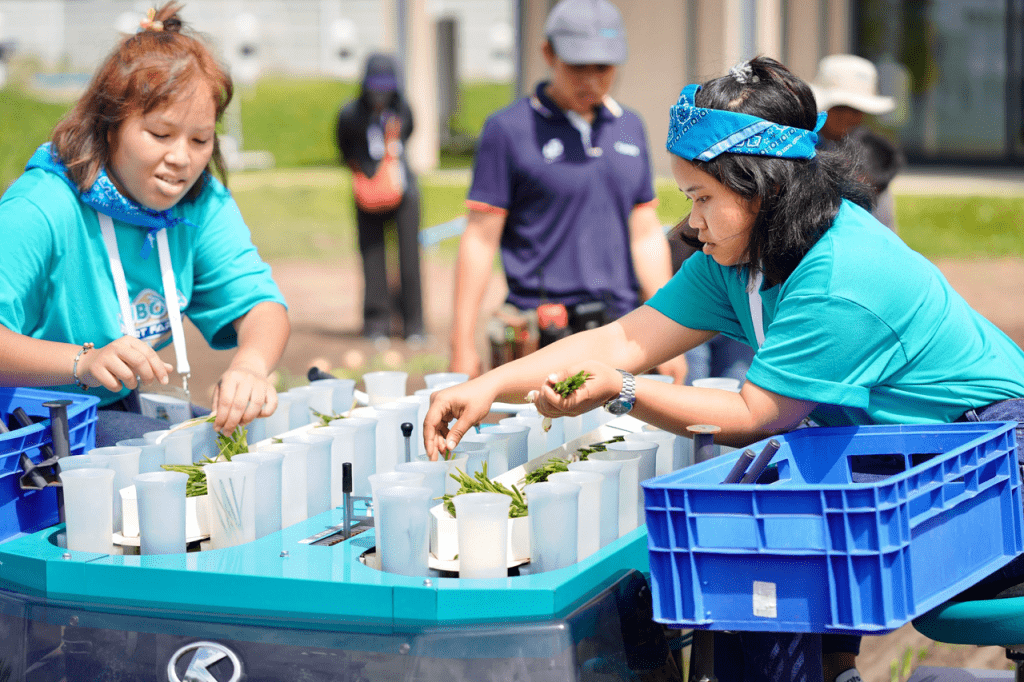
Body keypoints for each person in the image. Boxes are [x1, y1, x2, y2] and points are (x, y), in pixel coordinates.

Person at [424, 56, 1024, 682]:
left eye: (703, 197)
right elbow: (621, 338)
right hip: (914, 451)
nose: (690, 222)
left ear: (764, 186)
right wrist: (488, 384)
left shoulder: (840, 272)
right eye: (688, 197)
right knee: (766, 542)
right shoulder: (738, 258)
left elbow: (753, 416)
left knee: (769, 546)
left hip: (995, 460)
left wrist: (626, 392)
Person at [0, 3, 290, 445]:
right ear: (111, 125)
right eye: (160, 134)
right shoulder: (41, 207)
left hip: (117, 406)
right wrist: (83, 361)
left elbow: (262, 306)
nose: (182, 158)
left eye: (200, 140)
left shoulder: (199, 201)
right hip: (27, 414)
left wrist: (250, 366)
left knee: (240, 445)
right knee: (180, 459)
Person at [447, 0, 686, 382]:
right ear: (548, 54)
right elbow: (479, 238)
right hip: (544, 336)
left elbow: (644, 233)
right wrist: (461, 343)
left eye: (603, 68)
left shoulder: (630, 127)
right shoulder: (508, 130)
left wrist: (667, 330)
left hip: (622, 330)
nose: (590, 81)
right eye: (577, 67)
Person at [335, 53, 424, 344]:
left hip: (403, 191)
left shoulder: (403, 111)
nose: (380, 95)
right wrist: (365, 173)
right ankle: (376, 322)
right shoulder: (350, 114)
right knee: (372, 257)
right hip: (366, 192)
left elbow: (408, 133)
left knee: (410, 258)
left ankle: (413, 324)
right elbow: (344, 146)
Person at [811, 53, 904, 232]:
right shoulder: (802, 147)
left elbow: (883, 221)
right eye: (839, 107)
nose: (847, 117)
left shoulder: (868, 153)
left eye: (855, 110)